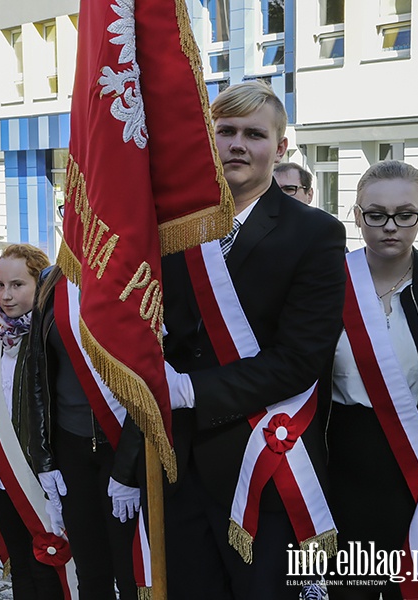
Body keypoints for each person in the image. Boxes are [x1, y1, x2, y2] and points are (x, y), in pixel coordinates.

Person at [161, 81, 346, 598]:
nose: (237, 144)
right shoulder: (174, 228)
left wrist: (190, 391)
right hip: (180, 463)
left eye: (254, 134)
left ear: (281, 147)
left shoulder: (315, 234)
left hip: (264, 461)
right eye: (225, 131)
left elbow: (299, 358)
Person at [326, 160, 418, 599]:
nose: (390, 227)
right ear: (356, 216)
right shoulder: (327, 280)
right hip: (342, 463)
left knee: (414, 585)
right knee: (348, 585)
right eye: (376, 215)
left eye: (404, 214)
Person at [27, 263, 144, 599]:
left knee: (132, 573)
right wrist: (44, 458)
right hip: (70, 446)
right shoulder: (52, 280)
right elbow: (39, 369)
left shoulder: (132, 269)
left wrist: (129, 466)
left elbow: (149, 375)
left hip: (123, 447)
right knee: (91, 573)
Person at [0, 244, 65, 600]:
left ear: (40, 285)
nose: (6, 296)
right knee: (21, 570)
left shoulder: (51, 339)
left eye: (18, 285)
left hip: (40, 477)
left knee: (49, 568)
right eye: (0, 285)